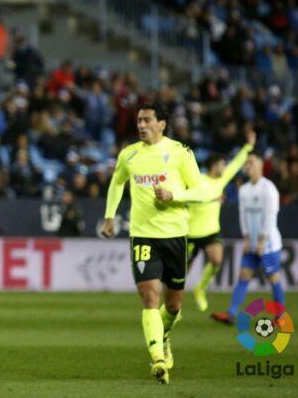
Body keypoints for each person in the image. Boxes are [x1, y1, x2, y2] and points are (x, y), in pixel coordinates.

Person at [101, 103, 205, 384]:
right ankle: (158, 358)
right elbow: (116, 182)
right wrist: (109, 216)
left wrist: (173, 195)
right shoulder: (130, 155)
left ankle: (164, 334)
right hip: (143, 235)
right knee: (149, 295)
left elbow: (200, 191)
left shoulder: (181, 154)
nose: (141, 125)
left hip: (175, 235)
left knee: (173, 306)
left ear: (162, 124)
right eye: (139, 120)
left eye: (147, 120)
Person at [211, 153, 285, 325]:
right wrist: (246, 238)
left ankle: (280, 317)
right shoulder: (244, 190)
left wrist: (261, 241)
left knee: (273, 278)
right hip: (251, 244)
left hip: (269, 245)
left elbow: (270, 217)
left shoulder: (269, 189)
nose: (248, 166)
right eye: (246, 163)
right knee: (243, 275)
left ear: (260, 165)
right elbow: (243, 216)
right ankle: (231, 314)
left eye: (251, 162)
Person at [188, 130, 255, 312]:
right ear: (214, 166)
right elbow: (188, 197)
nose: (224, 168)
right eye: (222, 165)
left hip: (210, 231)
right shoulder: (197, 181)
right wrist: (211, 199)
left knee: (217, 260)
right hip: (191, 232)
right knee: (179, 275)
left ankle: (200, 289)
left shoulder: (221, 181)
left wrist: (248, 146)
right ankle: (171, 309)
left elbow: (236, 165)